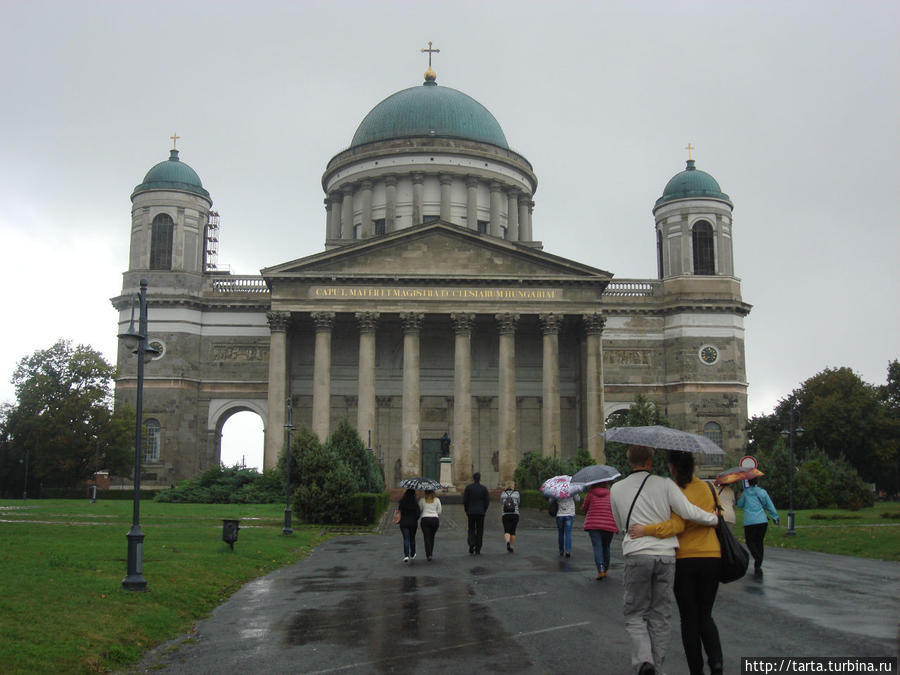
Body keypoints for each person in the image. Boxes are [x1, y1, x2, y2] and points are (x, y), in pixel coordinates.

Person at [609, 445, 719, 675]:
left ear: (629, 461)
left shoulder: (616, 488)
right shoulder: (667, 484)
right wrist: (713, 519)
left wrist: (641, 529)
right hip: (670, 556)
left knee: (636, 613)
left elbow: (621, 526)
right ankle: (659, 668)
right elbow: (688, 512)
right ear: (650, 461)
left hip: (640, 553)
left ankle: (645, 662)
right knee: (662, 615)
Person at [737, 477, 779, 577]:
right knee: (759, 541)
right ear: (757, 482)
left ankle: (756, 557)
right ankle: (758, 563)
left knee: (749, 541)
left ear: (748, 482)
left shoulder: (746, 493)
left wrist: (739, 497)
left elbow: (740, 505)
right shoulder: (762, 492)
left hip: (750, 522)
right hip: (762, 521)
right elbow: (769, 505)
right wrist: (775, 517)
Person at [582, 480, 617, 579]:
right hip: (609, 524)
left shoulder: (590, 494)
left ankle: (600, 569)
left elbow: (584, 508)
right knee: (606, 547)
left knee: (598, 547)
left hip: (594, 525)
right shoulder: (612, 495)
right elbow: (615, 508)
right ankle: (605, 569)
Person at [463, 472, 490, 554]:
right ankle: (478, 548)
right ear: (480, 479)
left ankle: (471, 544)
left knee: (471, 529)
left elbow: (465, 501)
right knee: (480, 530)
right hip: (481, 512)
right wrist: (484, 510)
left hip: (471, 512)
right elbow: (487, 501)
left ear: (473, 479)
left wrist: (467, 510)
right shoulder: (484, 488)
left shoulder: (468, 488)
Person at [397, 488, 420, 563]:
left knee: (406, 539)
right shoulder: (415, 503)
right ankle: (412, 554)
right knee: (412, 538)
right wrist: (415, 518)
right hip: (413, 523)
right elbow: (418, 513)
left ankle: (406, 555)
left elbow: (399, 511)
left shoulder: (402, 502)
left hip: (404, 523)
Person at [418, 489, 442, 561]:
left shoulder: (422, 500)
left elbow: (420, 509)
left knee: (427, 537)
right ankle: (430, 552)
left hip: (425, 519)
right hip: (434, 520)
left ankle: (429, 554)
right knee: (432, 536)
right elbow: (439, 511)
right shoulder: (437, 500)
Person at [500, 481, 521, 552]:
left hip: (505, 514)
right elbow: (518, 502)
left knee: (507, 530)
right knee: (513, 531)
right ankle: (511, 546)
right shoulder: (517, 493)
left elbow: (501, 502)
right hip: (515, 514)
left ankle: (507, 542)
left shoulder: (503, 493)